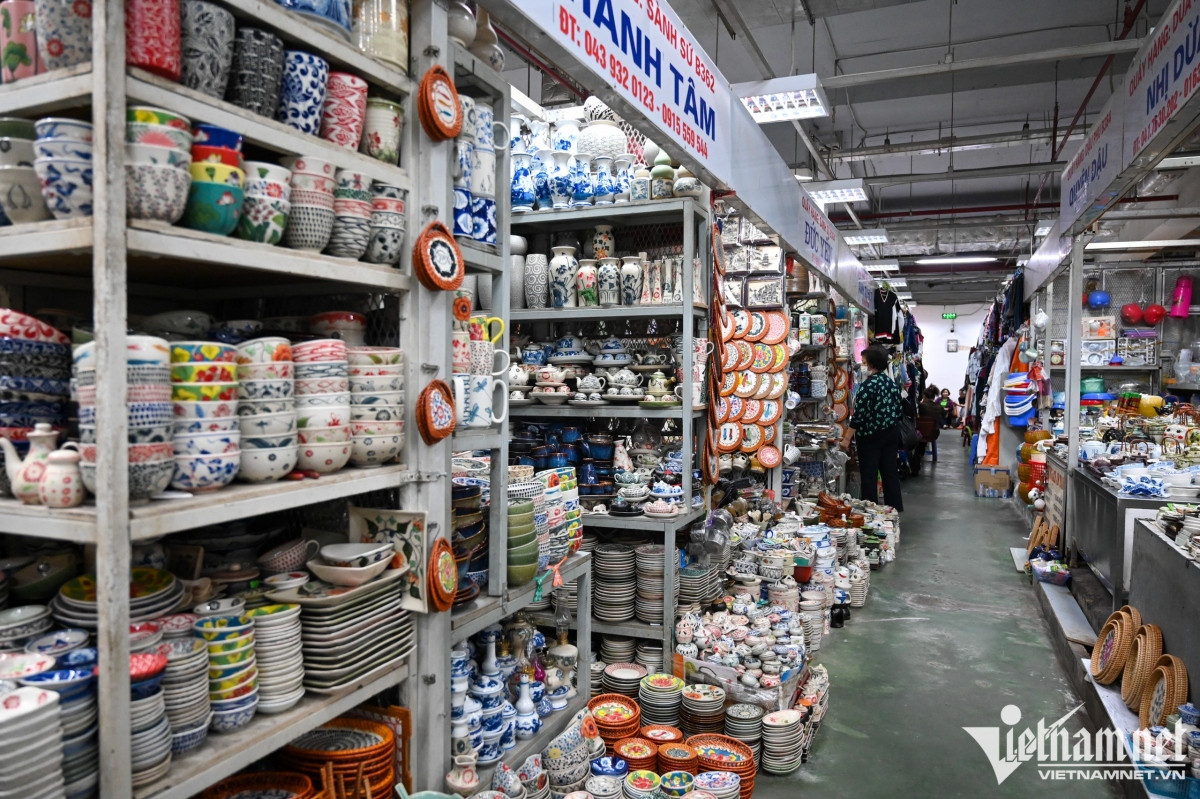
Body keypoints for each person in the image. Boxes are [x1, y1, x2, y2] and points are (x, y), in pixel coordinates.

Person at [839, 345, 904, 510]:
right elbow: (898, 410)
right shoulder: (891, 383)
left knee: (869, 474)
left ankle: (871, 509)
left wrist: (847, 438)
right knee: (890, 472)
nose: (863, 365)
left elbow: (859, 416)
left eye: (865, 362)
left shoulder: (868, 386)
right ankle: (893, 509)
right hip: (891, 433)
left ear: (872, 364)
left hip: (870, 436)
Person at [915, 387, 942, 466]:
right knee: (927, 430)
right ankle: (922, 452)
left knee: (921, 430)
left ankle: (919, 453)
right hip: (934, 433)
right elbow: (946, 415)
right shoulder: (939, 406)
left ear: (924, 396)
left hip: (920, 433)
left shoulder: (921, 406)